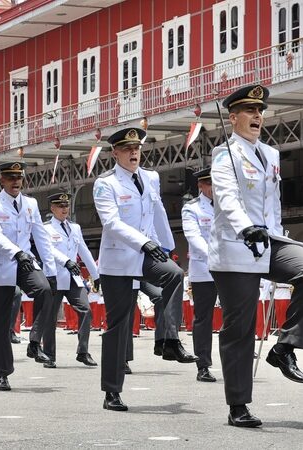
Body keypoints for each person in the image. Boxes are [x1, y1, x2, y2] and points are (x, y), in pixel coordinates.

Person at [209, 84, 303, 427]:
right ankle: (238, 406)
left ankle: (285, 346)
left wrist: (279, 234)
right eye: (249, 111)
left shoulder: (272, 154)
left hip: (270, 241)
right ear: (232, 118)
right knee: (239, 329)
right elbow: (227, 196)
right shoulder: (225, 154)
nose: (257, 116)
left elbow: (272, 204)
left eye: (260, 111)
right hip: (236, 246)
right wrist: (244, 226)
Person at [93, 127, 196, 412]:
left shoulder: (151, 177)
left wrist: (168, 246)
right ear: (115, 153)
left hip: (148, 252)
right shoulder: (105, 184)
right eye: (127, 149)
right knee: (119, 325)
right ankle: (112, 392)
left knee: (174, 273)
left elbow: (159, 211)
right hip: (119, 261)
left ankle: (169, 340)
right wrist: (145, 243)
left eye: (137, 148)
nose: (133, 152)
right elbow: (111, 223)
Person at [0, 162, 68, 391]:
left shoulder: (30, 203)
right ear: (2, 180)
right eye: (10, 178)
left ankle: (34, 341)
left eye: (19, 178)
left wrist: (50, 270)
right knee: (0, 321)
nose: (16, 182)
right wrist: (16, 252)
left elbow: (40, 236)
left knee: (45, 290)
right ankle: (3, 373)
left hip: (25, 261)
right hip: (3, 263)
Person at [43, 192, 99, 367]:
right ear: (52, 208)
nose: (64, 209)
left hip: (73, 279)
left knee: (86, 310)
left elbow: (84, 251)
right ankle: (49, 355)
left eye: (66, 206)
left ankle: (83, 351)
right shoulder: (45, 228)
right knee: (49, 318)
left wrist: (96, 275)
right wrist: (66, 261)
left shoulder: (75, 228)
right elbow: (49, 250)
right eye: (60, 206)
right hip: (54, 277)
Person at [181, 167, 218, 383]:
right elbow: (194, 237)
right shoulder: (191, 208)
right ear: (201, 186)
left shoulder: (228, 204)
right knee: (203, 318)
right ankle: (203, 364)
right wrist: (212, 256)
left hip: (229, 267)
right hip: (204, 269)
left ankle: (238, 353)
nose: (214, 188)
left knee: (237, 312)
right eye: (210, 184)